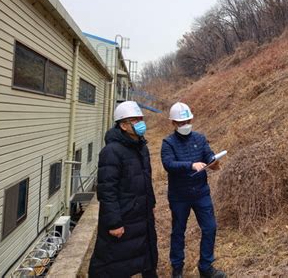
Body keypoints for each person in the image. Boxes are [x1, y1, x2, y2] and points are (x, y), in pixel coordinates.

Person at [89, 101, 158, 278]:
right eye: (134, 120)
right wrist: (114, 222)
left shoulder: (141, 147)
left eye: (140, 119)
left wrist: (150, 204)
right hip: (123, 216)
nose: (140, 123)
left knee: (145, 253)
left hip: (141, 214)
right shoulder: (111, 151)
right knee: (115, 261)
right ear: (123, 125)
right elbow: (106, 190)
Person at [161, 102, 226, 278]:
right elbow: (169, 164)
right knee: (178, 231)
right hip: (179, 196)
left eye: (188, 121)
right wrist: (190, 165)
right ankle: (177, 268)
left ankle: (206, 267)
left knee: (210, 228)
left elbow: (209, 157)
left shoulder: (200, 138)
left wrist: (214, 162)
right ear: (173, 123)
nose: (185, 125)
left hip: (201, 193)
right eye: (181, 123)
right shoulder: (168, 143)